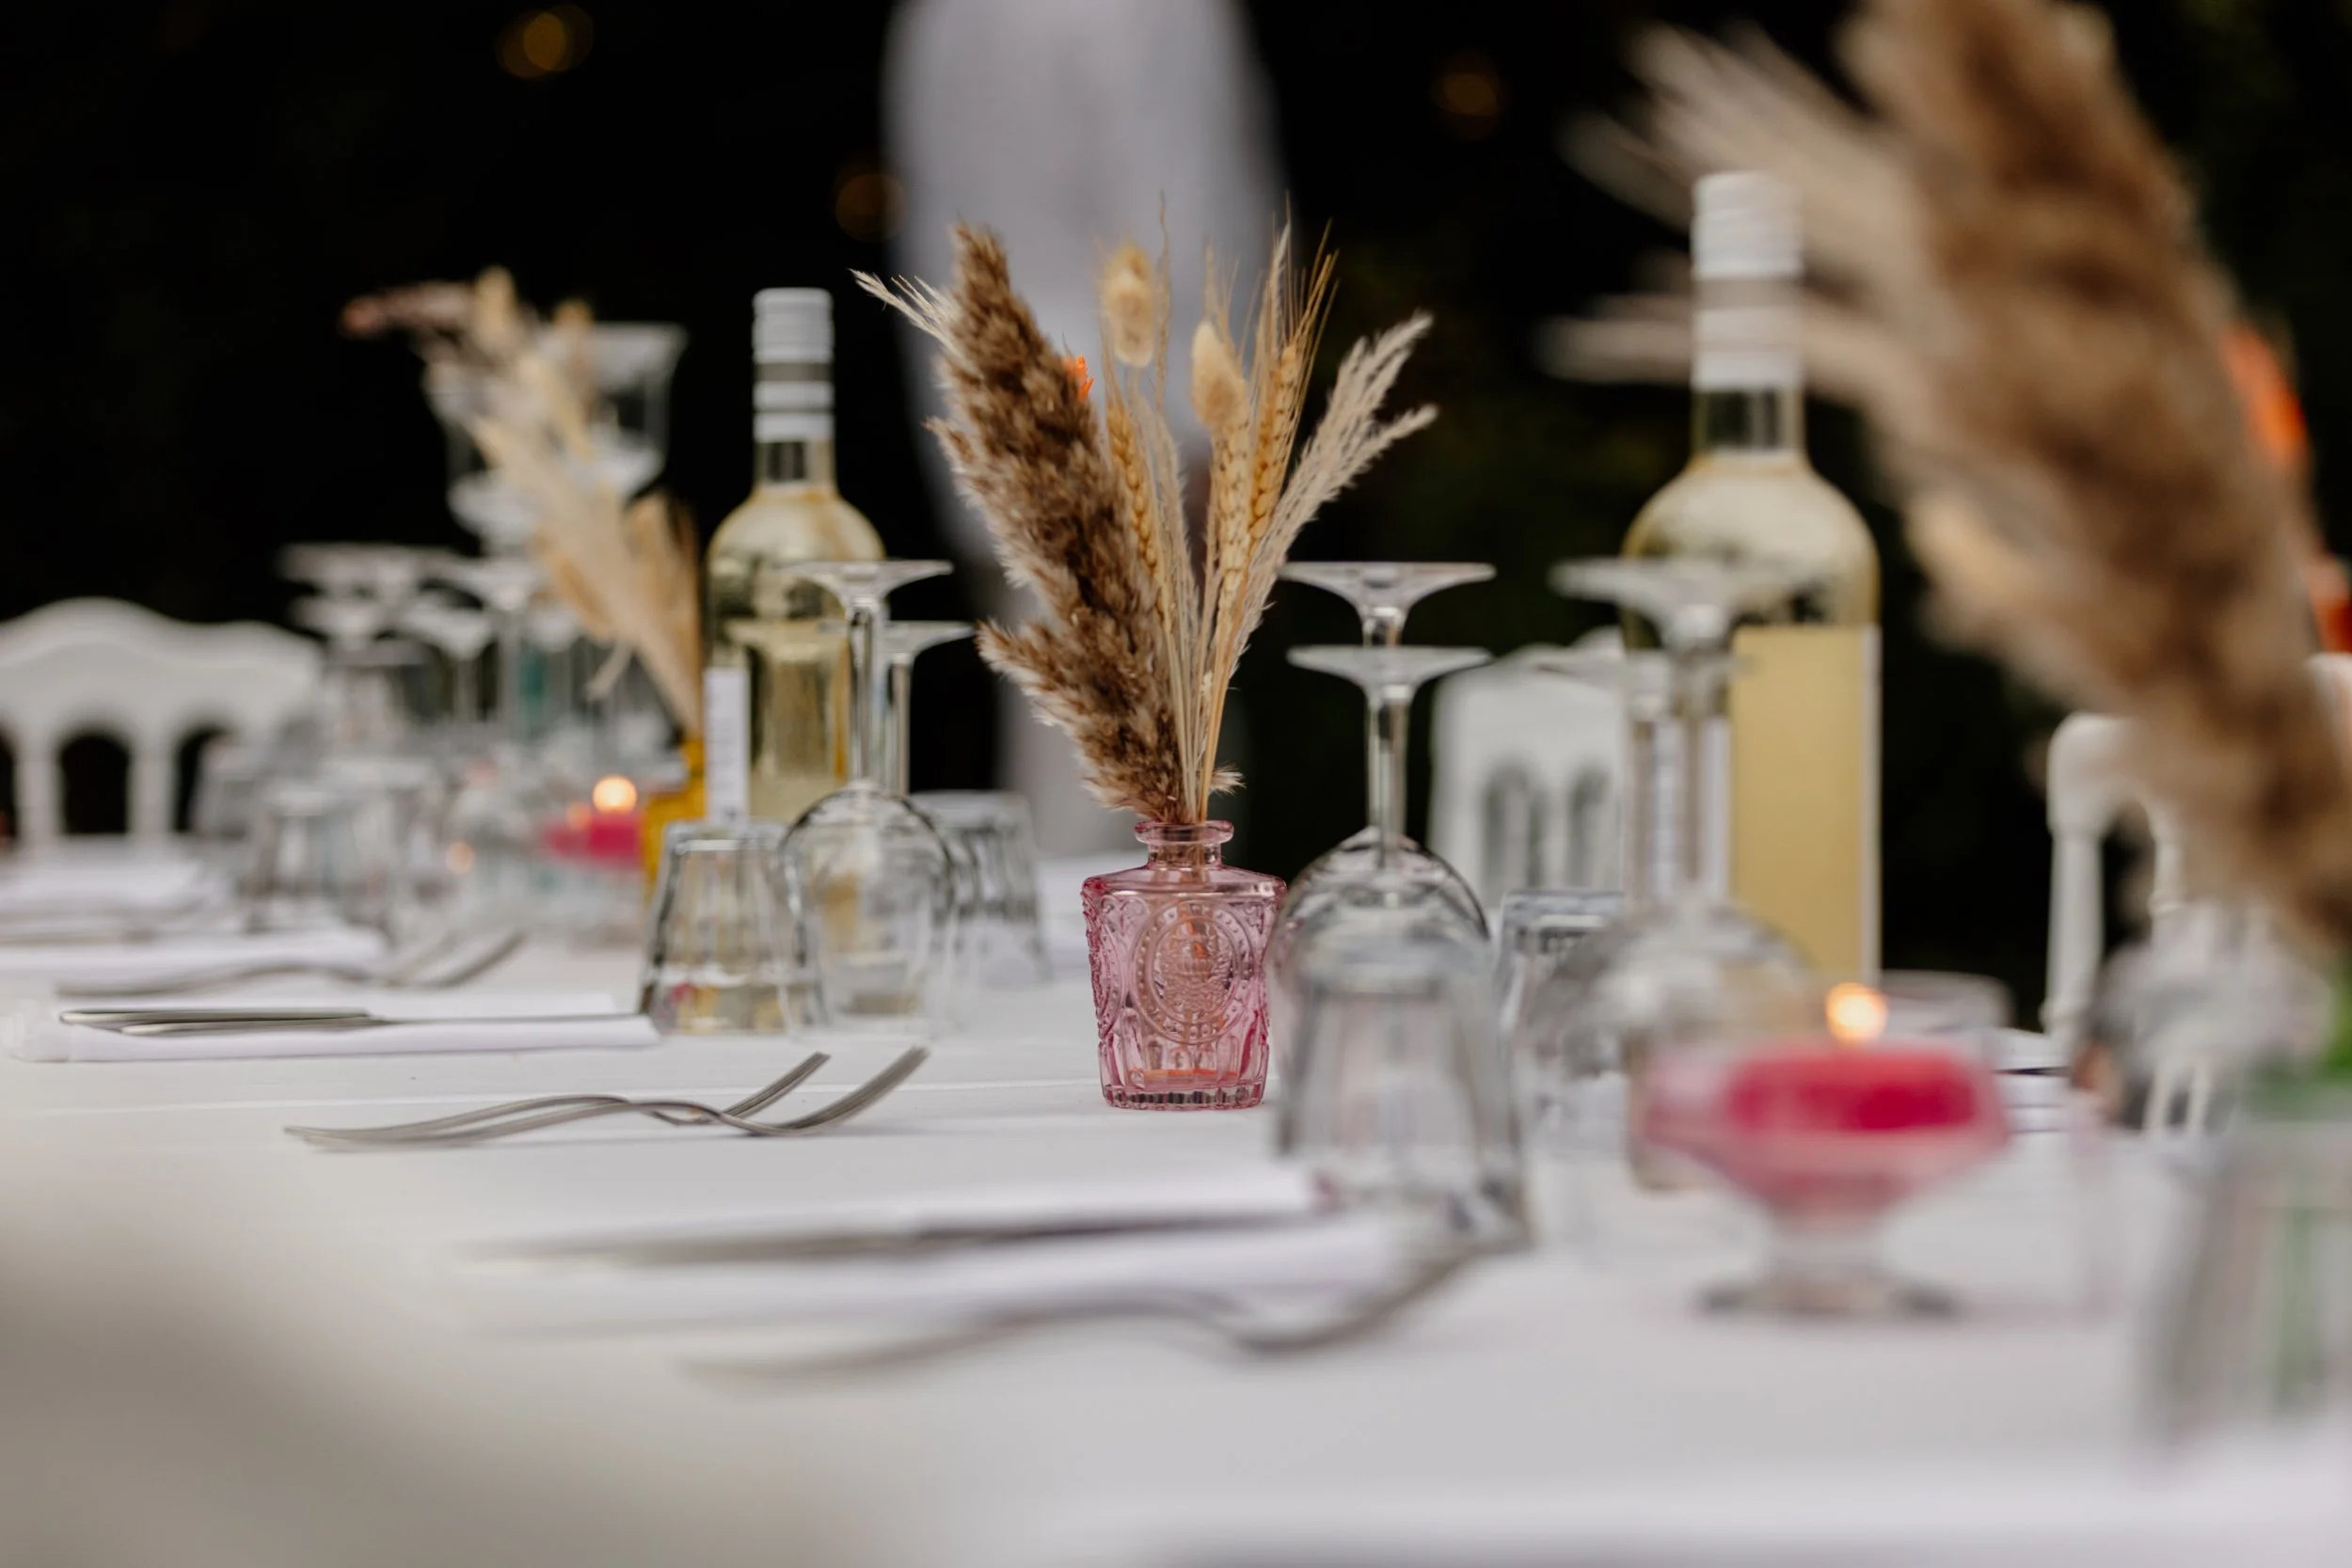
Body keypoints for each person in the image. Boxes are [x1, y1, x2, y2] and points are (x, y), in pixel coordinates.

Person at [884, 0, 1281, 853]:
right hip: (1126, 420)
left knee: (1067, 763)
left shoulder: (941, 16)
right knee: (1149, 805)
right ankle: (1128, 986)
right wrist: (1216, 443)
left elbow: (931, 231)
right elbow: (1184, 220)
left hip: (1000, 402)